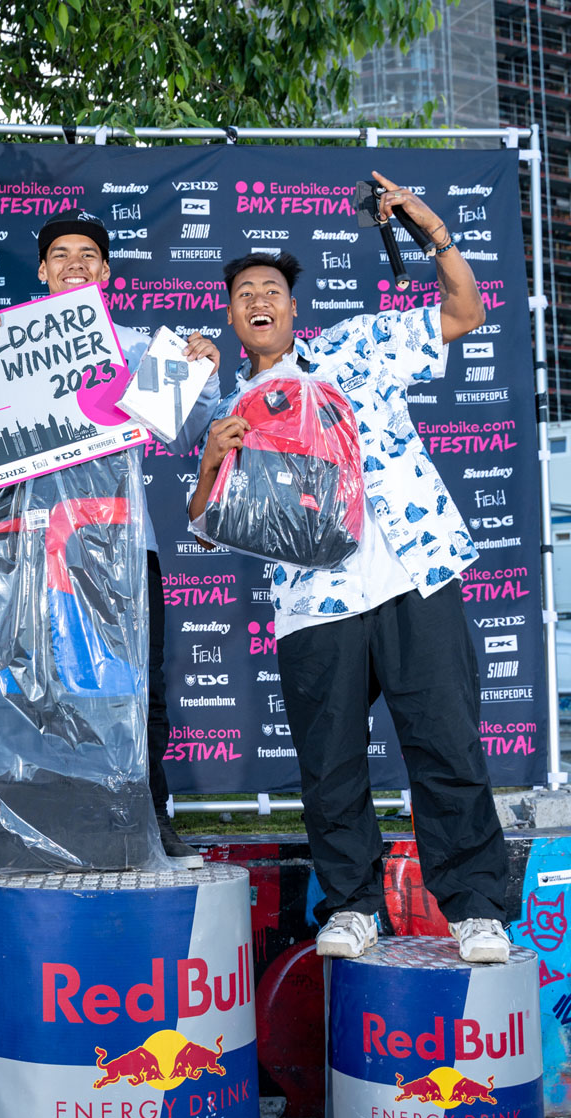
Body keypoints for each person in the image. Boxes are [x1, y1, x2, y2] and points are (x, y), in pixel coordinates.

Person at [188, 171, 511, 963]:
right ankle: (354, 905)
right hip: (313, 607)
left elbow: (465, 311)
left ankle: (475, 909)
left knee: (447, 746)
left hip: (413, 574)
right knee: (329, 769)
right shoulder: (227, 409)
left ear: (294, 309)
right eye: (243, 294)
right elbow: (202, 532)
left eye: (272, 288)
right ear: (233, 320)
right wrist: (208, 462)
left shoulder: (359, 346)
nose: (258, 299)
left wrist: (432, 230)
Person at [0, 210, 221, 866]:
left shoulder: (134, 348)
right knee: (27, 690)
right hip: (23, 555)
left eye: (88, 254)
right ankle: (17, 827)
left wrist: (200, 370)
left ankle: (149, 823)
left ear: (105, 271)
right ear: (42, 270)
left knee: (135, 691)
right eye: (61, 253)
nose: (75, 262)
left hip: (121, 552)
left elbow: (183, 434)